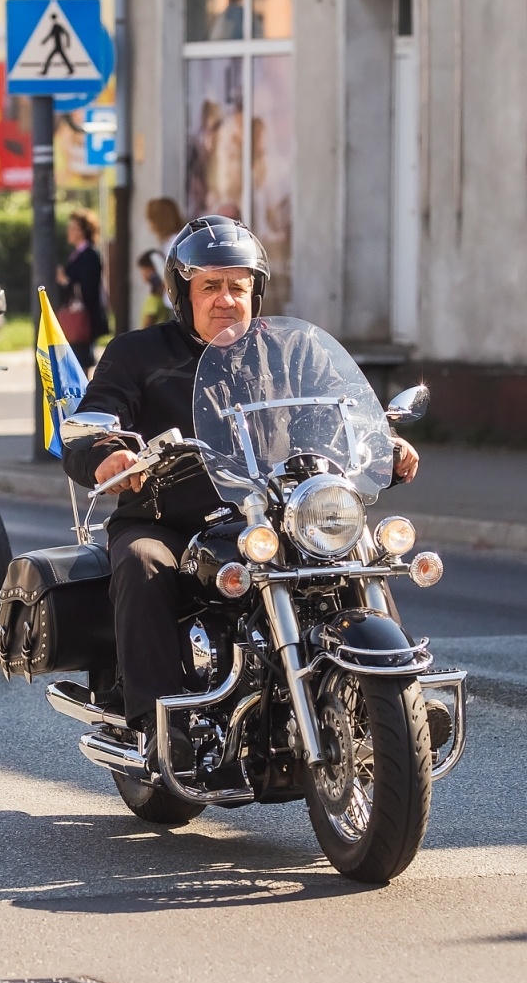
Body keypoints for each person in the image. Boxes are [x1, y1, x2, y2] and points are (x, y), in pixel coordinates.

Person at [62, 215, 419, 735]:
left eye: (238, 286)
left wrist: (383, 442)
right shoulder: (138, 353)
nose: (225, 299)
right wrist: (106, 456)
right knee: (142, 564)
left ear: (257, 290)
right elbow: (94, 421)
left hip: (281, 514)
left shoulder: (295, 349)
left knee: (359, 551)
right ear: (183, 294)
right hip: (171, 518)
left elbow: (343, 412)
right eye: (210, 286)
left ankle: (393, 697)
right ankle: (159, 724)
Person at [54, 208, 109, 370]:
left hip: (84, 316)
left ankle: (86, 394)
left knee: (81, 361)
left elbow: (88, 286)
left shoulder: (89, 254)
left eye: (73, 228)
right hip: (79, 315)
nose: (69, 232)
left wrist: (65, 281)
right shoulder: (78, 253)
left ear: (83, 231)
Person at [144, 197, 184, 310]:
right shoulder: (169, 241)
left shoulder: (174, 242)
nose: (149, 224)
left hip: (178, 302)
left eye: (151, 219)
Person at [136, 250, 170, 329]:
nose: (142, 274)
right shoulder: (165, 297)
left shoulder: (153, 300)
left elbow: (146, 325)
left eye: (144, 270)